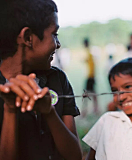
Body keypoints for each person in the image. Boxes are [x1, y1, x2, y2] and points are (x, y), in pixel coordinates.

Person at [0, 0, 82, 159]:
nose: (58, 44)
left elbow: (75, 156)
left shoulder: (58, 79)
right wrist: (10, 110)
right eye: (54, 34)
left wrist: (49, 112)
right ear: (28, 37)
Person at [82, 38, 99, 116]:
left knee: (86, 93)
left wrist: (91, 76)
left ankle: (84, 111)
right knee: (93, 93)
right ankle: (96, 108)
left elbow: (92, 65)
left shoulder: (89, 53)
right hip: (91, 76)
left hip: (90, 76)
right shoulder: (90, 52)